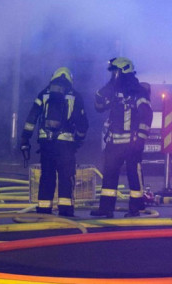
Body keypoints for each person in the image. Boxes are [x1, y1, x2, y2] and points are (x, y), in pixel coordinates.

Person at [18, 67, 89, 216]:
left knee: (47, 177)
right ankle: (66, 211)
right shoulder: (75, 96)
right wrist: (78, 140)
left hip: (46, 144)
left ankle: (43, 210)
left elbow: (31, 118)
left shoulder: (43, 94)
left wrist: (25, 139)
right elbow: (82, 123)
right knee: (66, 177)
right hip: (65, 145)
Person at [91, 56, 152, 218]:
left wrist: (140, 138)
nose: (113, 75)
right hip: (114, 143)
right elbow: (99, 107)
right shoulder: (114, 90)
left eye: (115, 72)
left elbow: (146, 115)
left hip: (132, 143)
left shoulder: (138, 91)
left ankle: (136, 208)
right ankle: (106, 208)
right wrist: (104, 90)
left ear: (123, 71)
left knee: (134, 174)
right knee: (109, 174)